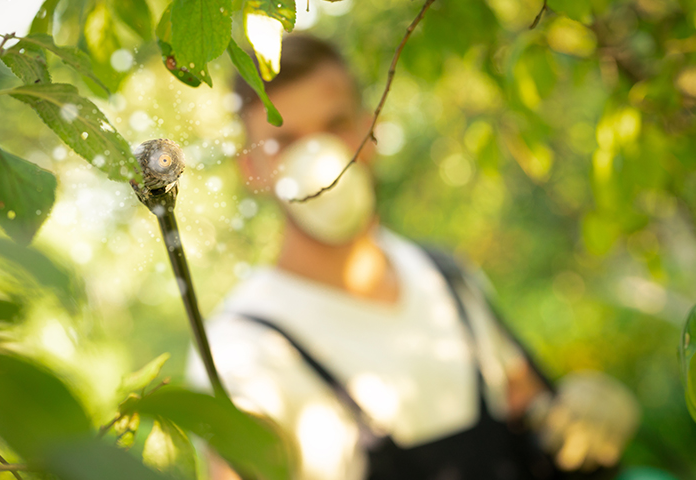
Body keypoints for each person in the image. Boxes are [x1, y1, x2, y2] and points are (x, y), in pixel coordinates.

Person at [186, 34, 640, 480]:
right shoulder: (240, 352)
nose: (320, 159)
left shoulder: (445, 278)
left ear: (371, 128)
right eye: (284, 144)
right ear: (251, 170)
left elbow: (535, 411)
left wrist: (581, 413)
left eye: (335, 126)